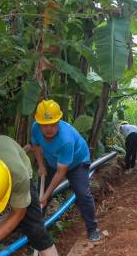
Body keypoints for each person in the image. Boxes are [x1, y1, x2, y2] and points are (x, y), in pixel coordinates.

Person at [31, 99, 100, 242]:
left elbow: (61, 172)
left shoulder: (65, 139)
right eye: (44, 125)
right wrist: (41, 166)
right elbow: (36, 146)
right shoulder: (35, 128)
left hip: (77, 163)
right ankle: (36, 230)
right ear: (39, 123)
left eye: (52, 124)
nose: (48, 129)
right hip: (52, 161)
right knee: (40, 196)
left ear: (59, 121)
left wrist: (47, 194)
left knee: (82, 194)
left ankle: (92, 228)